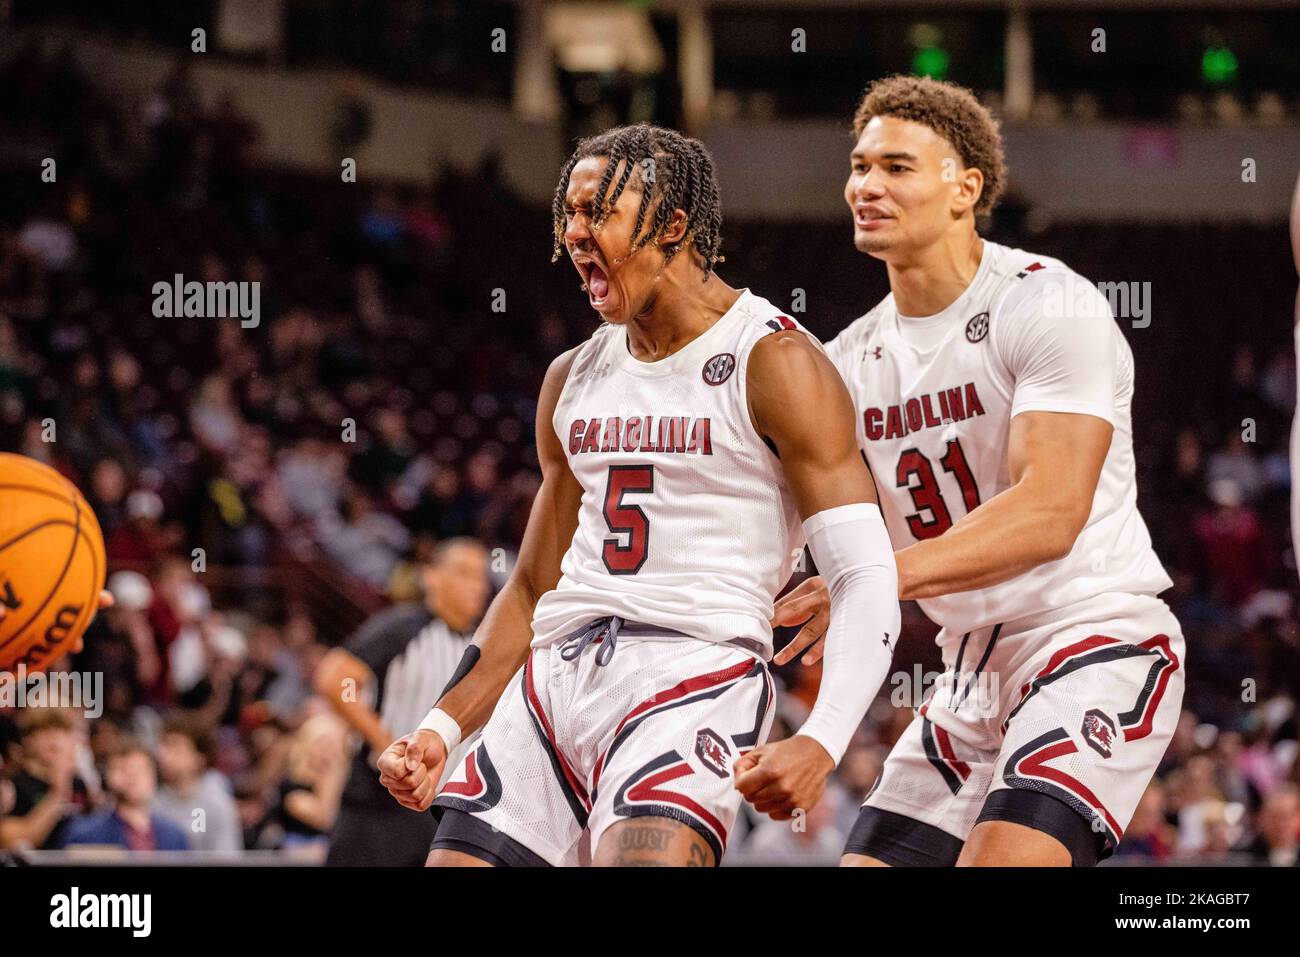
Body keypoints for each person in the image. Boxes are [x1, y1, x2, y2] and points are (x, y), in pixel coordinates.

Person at [377, 123, 900, 867]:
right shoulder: (571, 376)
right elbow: (529, 587)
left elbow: (864, 573)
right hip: (555, 677)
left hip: (695, 672)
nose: (575, 231)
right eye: (571, 213)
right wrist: (440, 727)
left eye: (598, 213)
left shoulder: (776, 359)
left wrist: (821, 735)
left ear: (674, 227)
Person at [773, 76, 1184, 867]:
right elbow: (808, 542)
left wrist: (872, 578)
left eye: (897, 167)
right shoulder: (844, 361)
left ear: (965, 188)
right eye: (859, 166)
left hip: (1092, 635)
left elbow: (1050, 510)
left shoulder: (1048, 304)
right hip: (967, 675)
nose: (867, 185)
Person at [317, 537, 490, 866]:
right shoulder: (402, 627)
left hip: (442, 808)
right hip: (378, 808)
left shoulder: (481, 643)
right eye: (464, 573)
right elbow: (333, 678)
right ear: (431, 577)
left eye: (481, 576)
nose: (477, 586)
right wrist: (383, 740)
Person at [64, 739, 189, 851]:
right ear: (108, 777)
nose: (133, 777)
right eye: (123, 769)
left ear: (154, 776)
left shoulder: (175, 836)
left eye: (140, 769)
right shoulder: (86, 835)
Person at [0, 709, 90, 850]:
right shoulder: (13, 783)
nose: (53, 739)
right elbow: (10, 838)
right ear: (28, 740)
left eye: (61, 731)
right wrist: (58, 793)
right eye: (44, 731)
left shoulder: (78, 784)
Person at [154, 712, 243, 853]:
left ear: (199, 758)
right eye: (163, 746)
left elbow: (227, 858)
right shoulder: (150, 798)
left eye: (175, 748)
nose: (164, 756)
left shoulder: (217, 803)